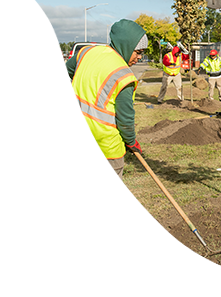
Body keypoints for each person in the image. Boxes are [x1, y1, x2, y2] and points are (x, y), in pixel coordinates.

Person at [56, 19, 147, 263]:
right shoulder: (124, 75)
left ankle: (71, 230)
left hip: (74, 137)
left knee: (83, 188)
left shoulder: (89, 52)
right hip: (104, 146)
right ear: (127, 45)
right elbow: (126, 119)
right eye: (139, 51)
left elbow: (69, 67)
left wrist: (84, 82)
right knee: (110, 190)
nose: (139, 57)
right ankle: (107, 238)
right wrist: (132, 143)